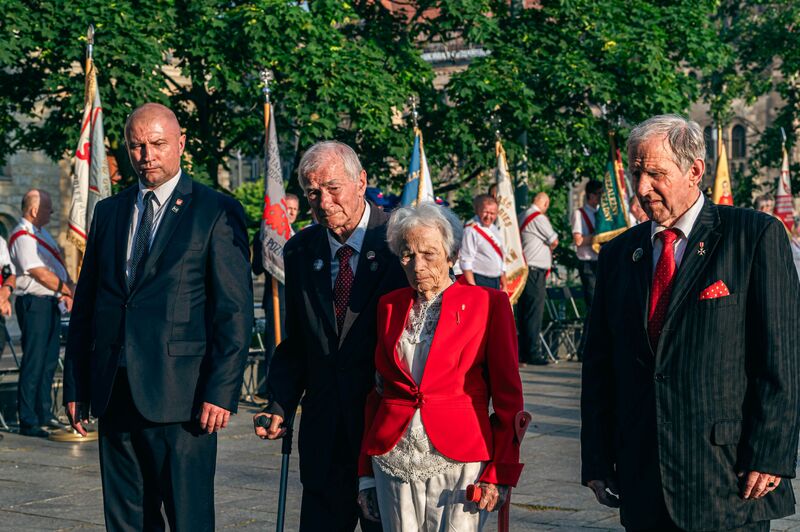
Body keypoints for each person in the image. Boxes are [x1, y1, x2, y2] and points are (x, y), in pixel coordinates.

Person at [581, 114, 800, 531]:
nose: (642, 188)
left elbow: (781, 357)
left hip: (729, 479)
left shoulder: (753, 236)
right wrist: (596, 458)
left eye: (656, 174)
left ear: (695, 171)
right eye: (637, 173)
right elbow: (599, 367)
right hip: (644, 478)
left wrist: (770, 452)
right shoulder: (618, 255)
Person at [63, 103, 253, 531]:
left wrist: (221, 390)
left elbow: (234, 310)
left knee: (187, 518)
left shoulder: (215, 210)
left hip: (183, 399)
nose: (146, 155)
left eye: (157, 144)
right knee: (126, 520)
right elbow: (87, 304)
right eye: (137, 146)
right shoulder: (109, 212)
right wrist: (76, 383)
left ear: (180, 144)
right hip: (114, 390)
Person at [253, 141, 407, 532]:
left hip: (386, 429)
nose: (324, 202)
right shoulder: (300, 251)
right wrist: (280, 403)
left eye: (333, 188)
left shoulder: (401, 240)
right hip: (325, 432)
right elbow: (298, 342)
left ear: (361, 182)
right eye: (312, 193)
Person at [356, 202, 524, 531]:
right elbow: (377, 394)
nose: (417, 265)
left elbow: (509, 400)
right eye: (407, 254)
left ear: (452, 255)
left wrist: (499, 473)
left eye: (429, 254)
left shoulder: (488, 304)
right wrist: (365, 474)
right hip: (392, 457)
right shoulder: (388, 306)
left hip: (461, 458)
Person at [9, 190, 73, 437]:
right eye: (48, 208)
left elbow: (55, 266)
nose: (52, 212)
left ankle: (44, 412)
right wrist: (68, 289)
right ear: (34, 210)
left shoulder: (42, 234)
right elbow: (38, 272)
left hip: (50, 302)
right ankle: (28, 419)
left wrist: (65, 290)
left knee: (48, 362)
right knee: (34, 361)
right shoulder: (22, 236)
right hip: (34, 303)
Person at [251, 192, 299, 392]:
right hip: (276, 299)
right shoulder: (265, 235)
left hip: (297, 302)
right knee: (275, 349)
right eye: (287, 209)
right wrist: (266, 250)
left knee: (296, 349)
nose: (291, 213)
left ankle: (292, 392)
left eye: (294, 209)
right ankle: (273, 395)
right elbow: (256, 269)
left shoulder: (301, 236)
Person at [517, 192, 558, 366]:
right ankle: (533, 352)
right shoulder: (538, 218)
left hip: (525, 270)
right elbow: (554, 240)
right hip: (534, 271)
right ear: (545, 203)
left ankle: (523, 352)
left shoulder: (521, 215)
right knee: (534, 312)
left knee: (524, 312)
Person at [460, 194, 507, 290]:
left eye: (492, 213)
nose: (488, 216)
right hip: (479, 279)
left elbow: (500, 259)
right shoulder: (471, 230)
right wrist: (472, 287)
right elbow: (466, 260)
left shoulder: (494, 229)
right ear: (478, 211)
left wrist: (504, 285)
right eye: (485, 212)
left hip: (496, 280)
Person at [572, 180, 602, 311]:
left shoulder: (602, 214)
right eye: (599, 194)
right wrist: (598, 238)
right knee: (593, 303)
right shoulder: (579, 213)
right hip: (587, 263)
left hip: (601, 260)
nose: (601, 197)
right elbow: (578, 241)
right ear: (591, 195)